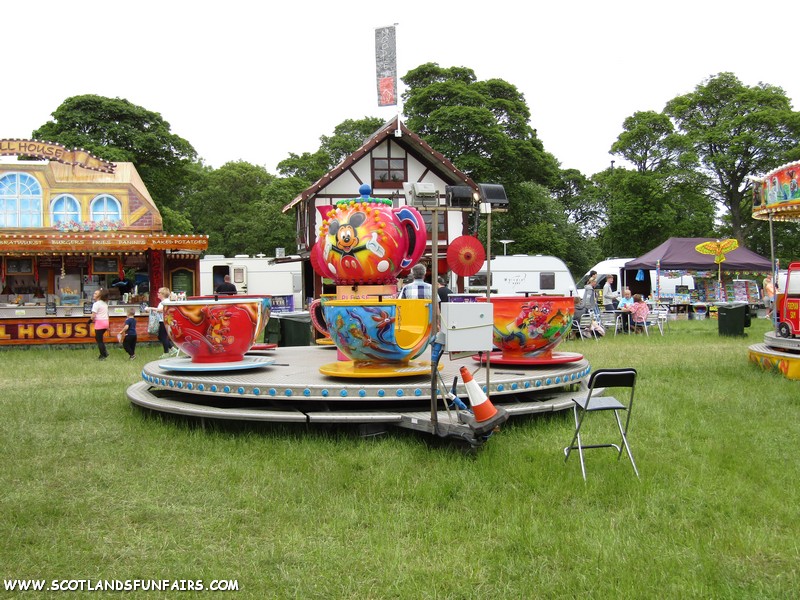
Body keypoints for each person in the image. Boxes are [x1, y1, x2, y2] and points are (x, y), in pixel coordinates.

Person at [146, 287, 178, 358]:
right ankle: (172, 349)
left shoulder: (166, 302)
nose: (157, 294)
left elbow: (162, 310)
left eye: (159, 293)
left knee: (163, 336)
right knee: (160, 336)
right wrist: (154, 311)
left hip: (164, 321)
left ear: (163, 294)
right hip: (162, 320)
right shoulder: (163, 302)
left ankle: (166, 352)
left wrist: (151, 308)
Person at [91, 288, 110, 360]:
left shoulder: (96, 304)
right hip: (105, 322)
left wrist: (90, 320)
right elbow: (107, 314)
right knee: (98, 338)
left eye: (95, 294)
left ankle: (103, 355)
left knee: (99, 340)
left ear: (99, 296)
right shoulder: (105, 304)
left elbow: (93, 315)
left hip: (99, 323)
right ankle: (104, 352)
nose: (94, 294)